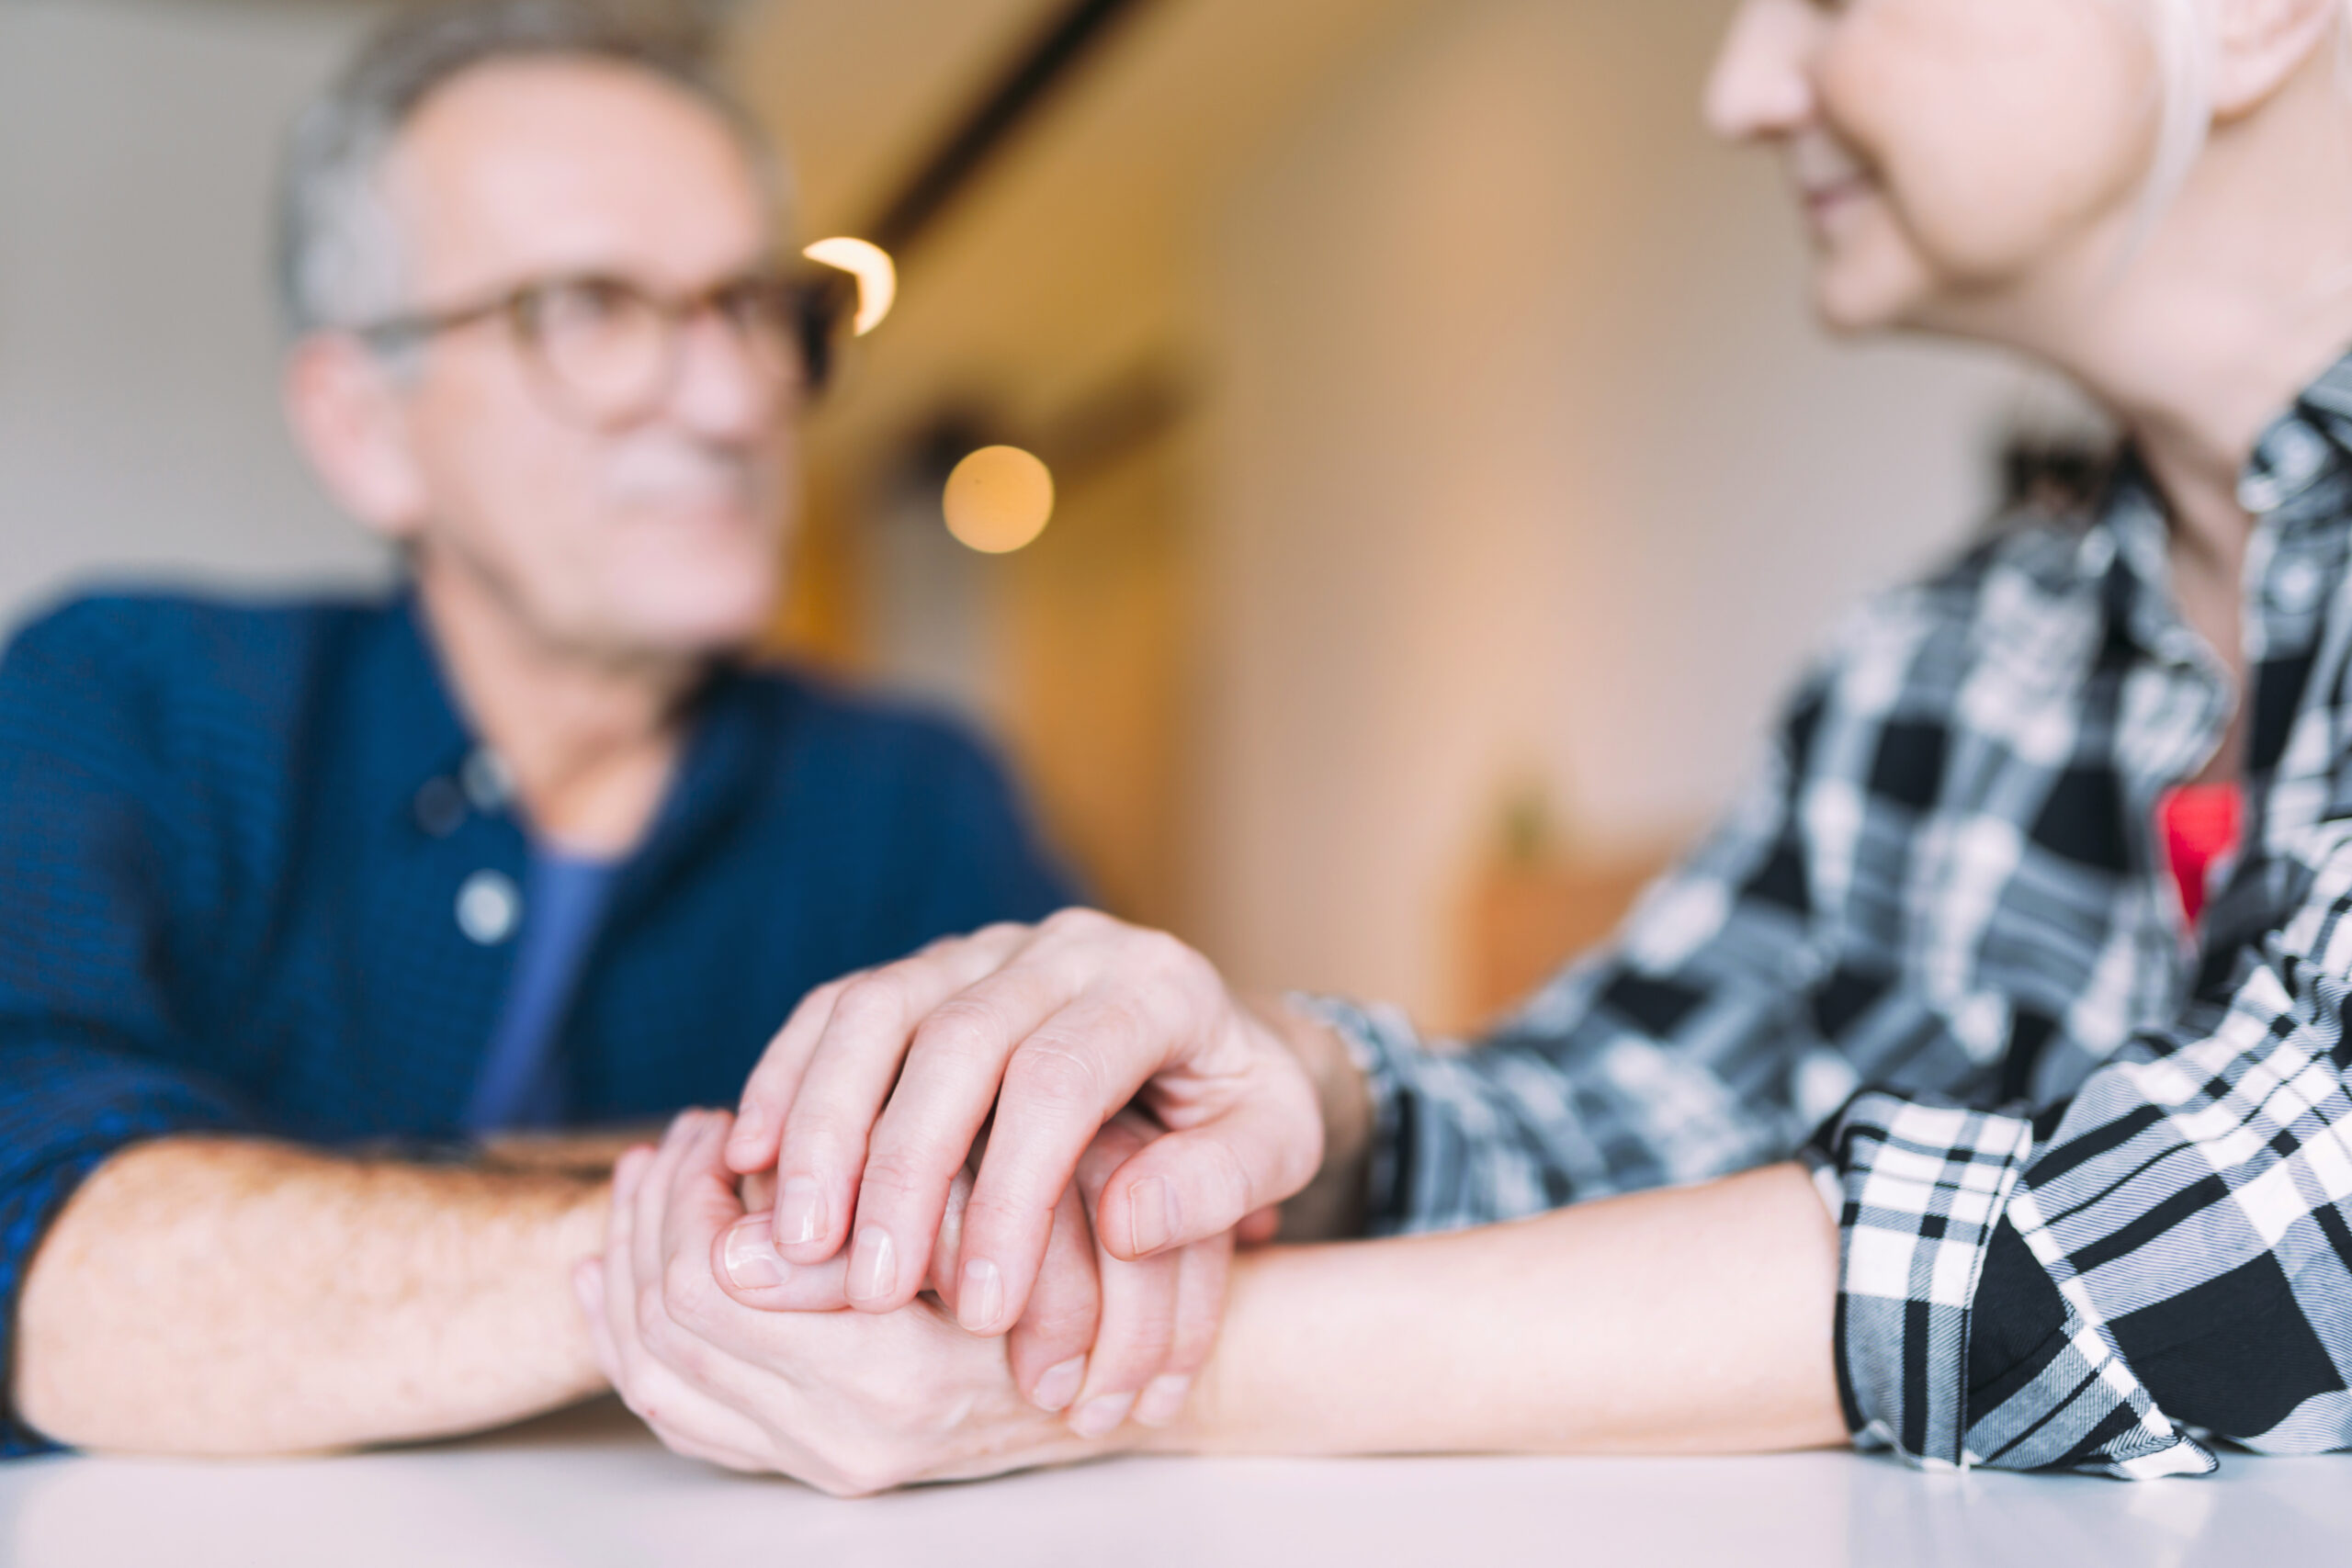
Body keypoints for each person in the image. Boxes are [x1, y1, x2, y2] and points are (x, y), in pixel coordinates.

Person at [578, 0, 2352, 1494]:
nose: (1742, 87)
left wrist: (1110, 1372)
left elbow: (2275, 1220)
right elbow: (1650, 1099)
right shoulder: (1946, 658)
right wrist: (1289, 1097)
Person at [0, 0, 1223, 1460]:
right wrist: (747, 1225)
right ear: (361, 427)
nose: (727, 400)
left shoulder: (914, 794)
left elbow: (1103, 1230)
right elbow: (51, 1251)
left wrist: (299, 1213)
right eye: (582, 308)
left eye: (748, 308)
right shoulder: (128, 700)